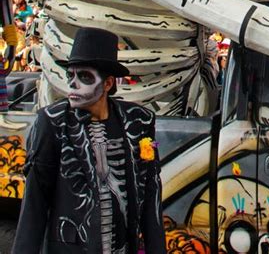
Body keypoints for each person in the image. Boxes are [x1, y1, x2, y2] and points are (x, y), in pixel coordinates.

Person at [12, 27, 166, 254]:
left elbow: (151, 196)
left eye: (84, 76)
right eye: (70, 75)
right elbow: (34, 205)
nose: (73, 84)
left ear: (108, 83)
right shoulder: (53, 122)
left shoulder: (137, 121)